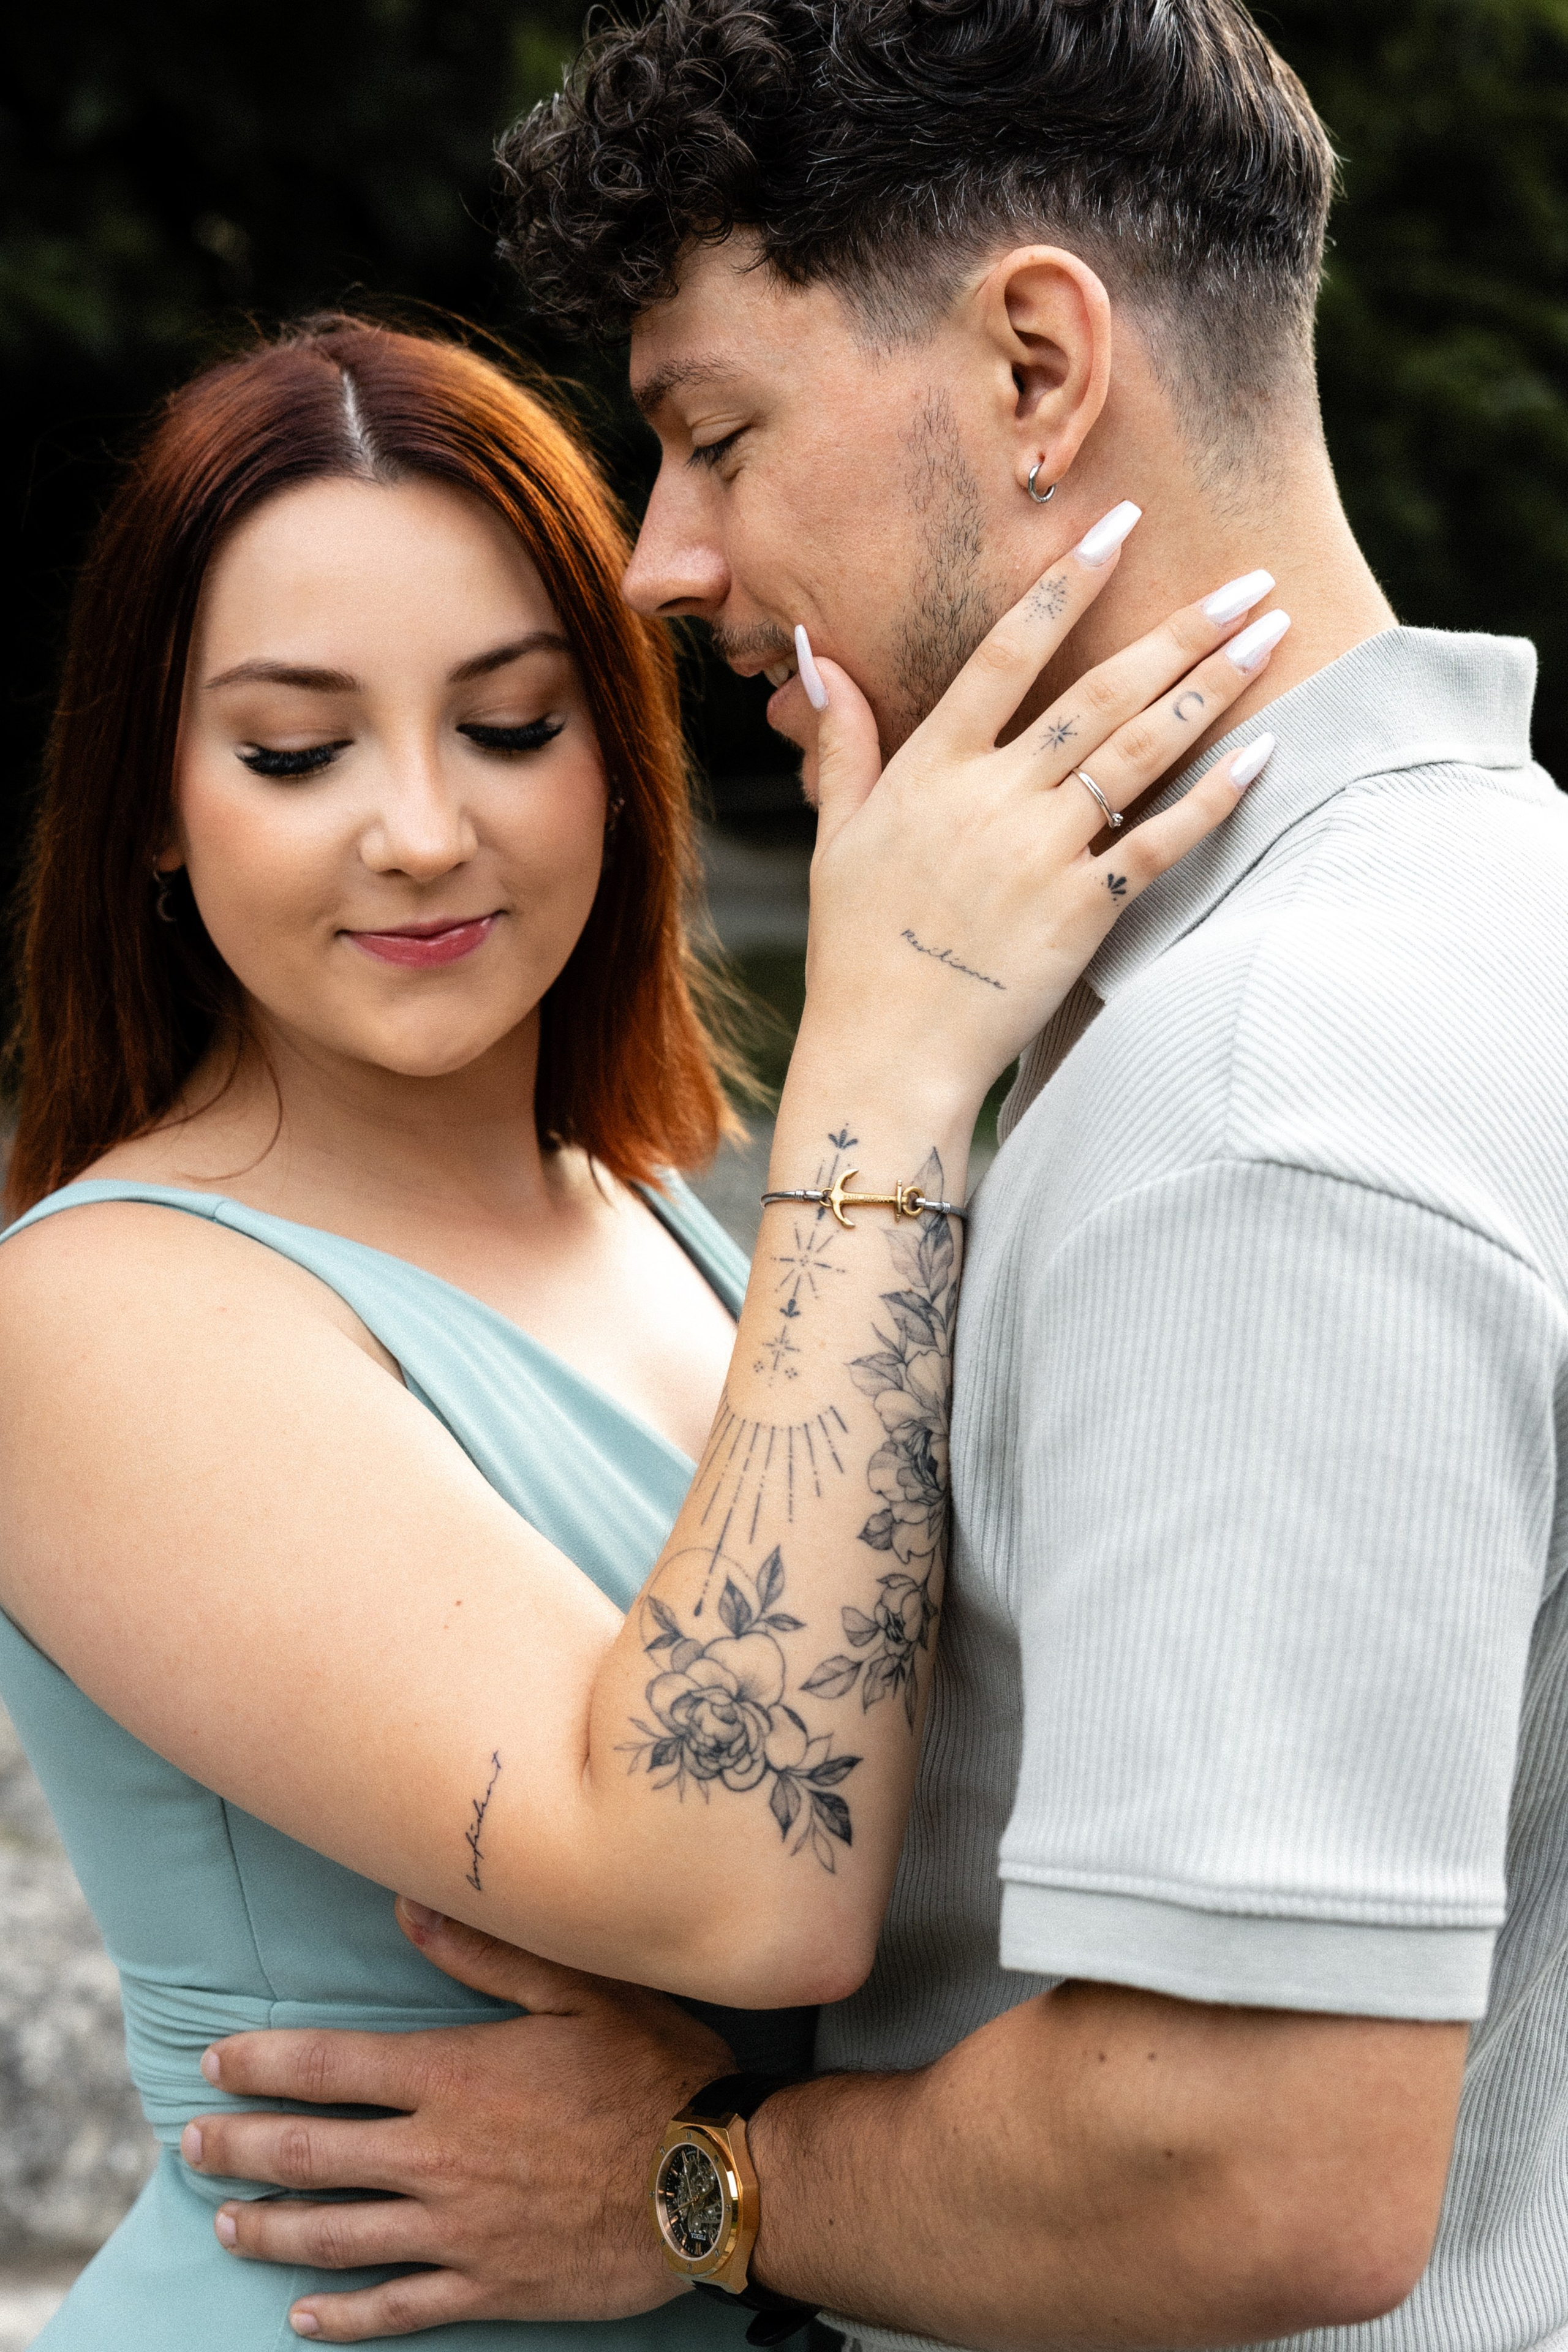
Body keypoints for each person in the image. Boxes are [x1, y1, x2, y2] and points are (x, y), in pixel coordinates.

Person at [181, 2, 1568, 2350]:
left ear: (1038, 369)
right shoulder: (1480, 910)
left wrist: (691, 2188)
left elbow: (1251, 2162)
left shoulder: (1251, 1098)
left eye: (715, 434)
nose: (662, 558)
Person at [0, 308, 1264, 2352]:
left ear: (619, 749)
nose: (422, 828)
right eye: (296, 749)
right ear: (152, 803)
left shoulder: (646, 1217)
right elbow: (748, 1880)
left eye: (510, 724)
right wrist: (882, 1064)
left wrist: (709, 2181)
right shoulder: (93, 1312)